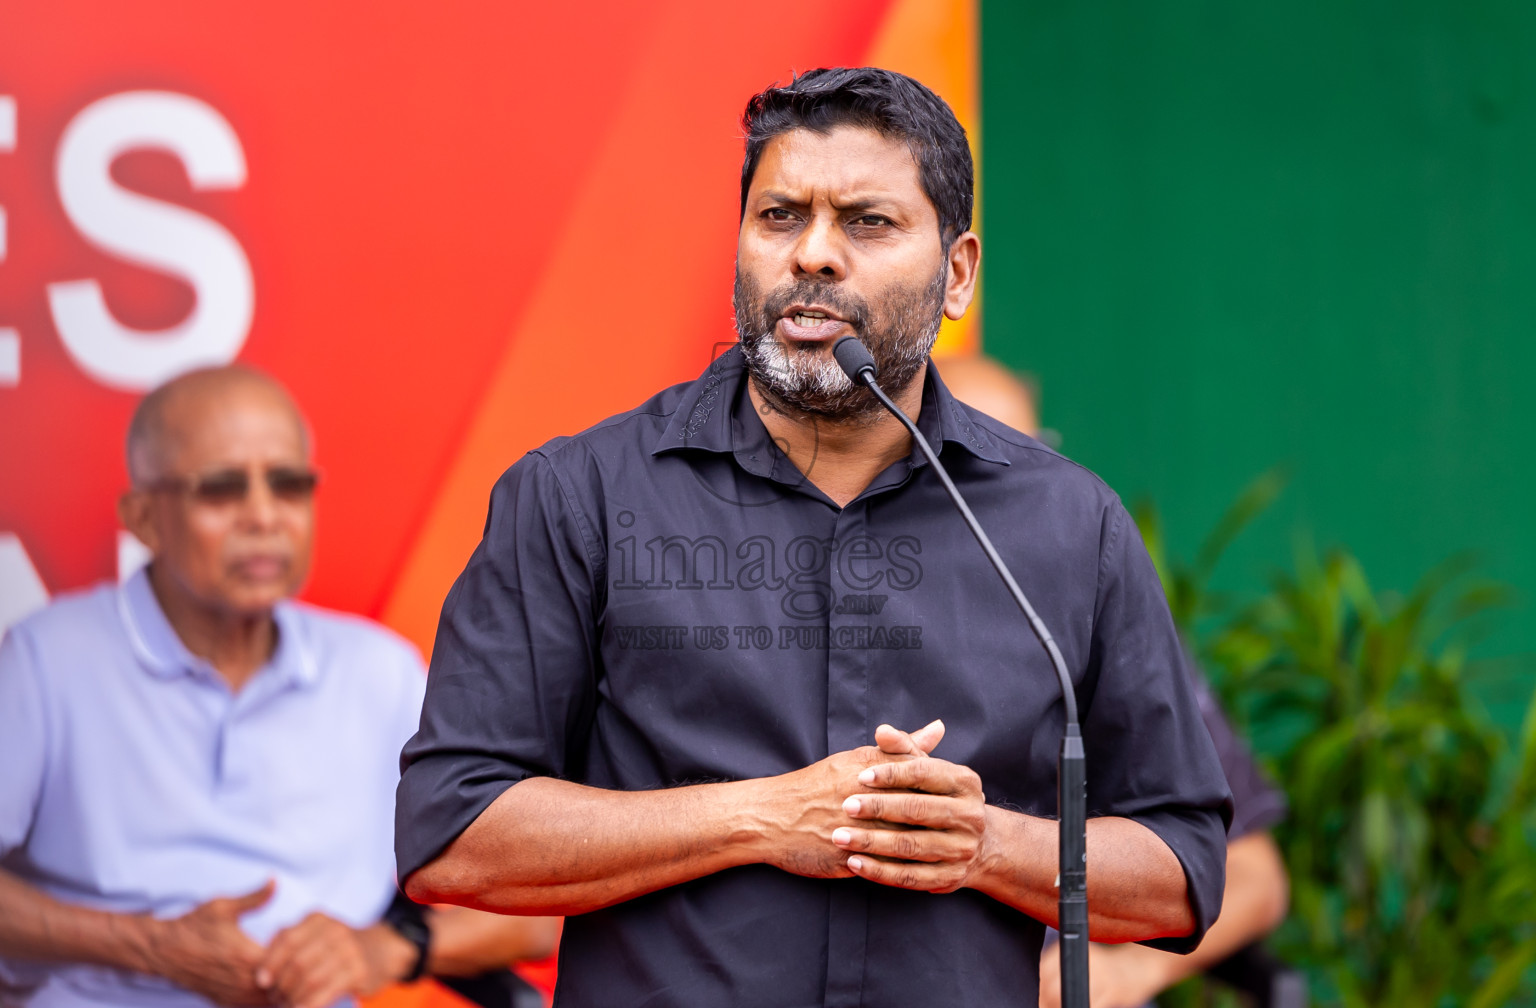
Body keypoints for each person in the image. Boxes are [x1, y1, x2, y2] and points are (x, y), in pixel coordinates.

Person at [396, 67, 1233, 1008]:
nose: (814, 256)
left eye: (867, 223)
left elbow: (1184, 866)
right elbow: (452, 834)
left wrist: (988, 845)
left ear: (957, 274)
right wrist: (754, 817)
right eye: (781, 217)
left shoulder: (1067, 525)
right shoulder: (580, 495)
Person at [0, 366, 558, 1008]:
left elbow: (530, 913)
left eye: (288, 486)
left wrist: (381, 947)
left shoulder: (377, 673)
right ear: (145, 518)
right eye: (221, 490)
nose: (264, 517)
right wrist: (148, 945)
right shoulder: (46, 660)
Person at [935, 354, 1291, 1007]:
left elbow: (1255, 875)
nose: (995, 491)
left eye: (1024, 455)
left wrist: (1129, 970)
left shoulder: (1098, 613)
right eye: (963, 462)